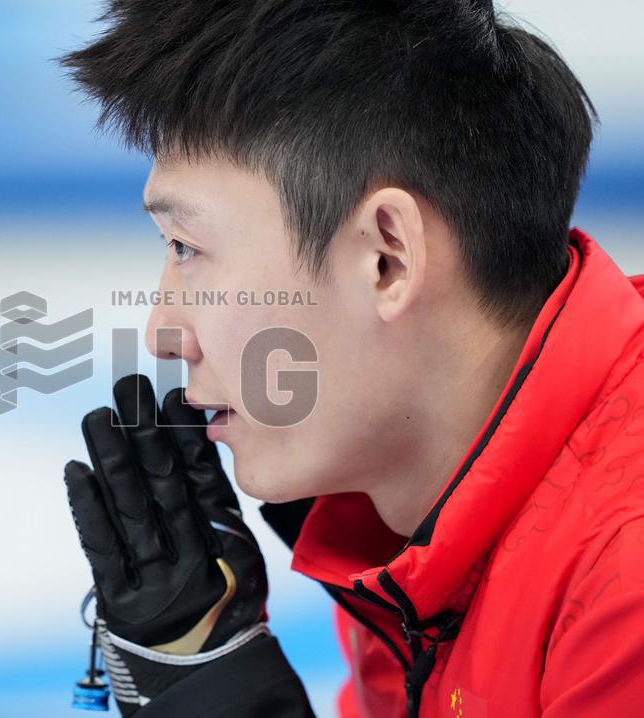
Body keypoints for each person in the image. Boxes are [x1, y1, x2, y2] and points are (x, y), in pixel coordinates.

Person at [55, 1, 644, 715]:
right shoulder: (404, 538)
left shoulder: (626, 583)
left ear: (387, 259)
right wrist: (201, 664)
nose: (162, 331)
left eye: (187, 248)